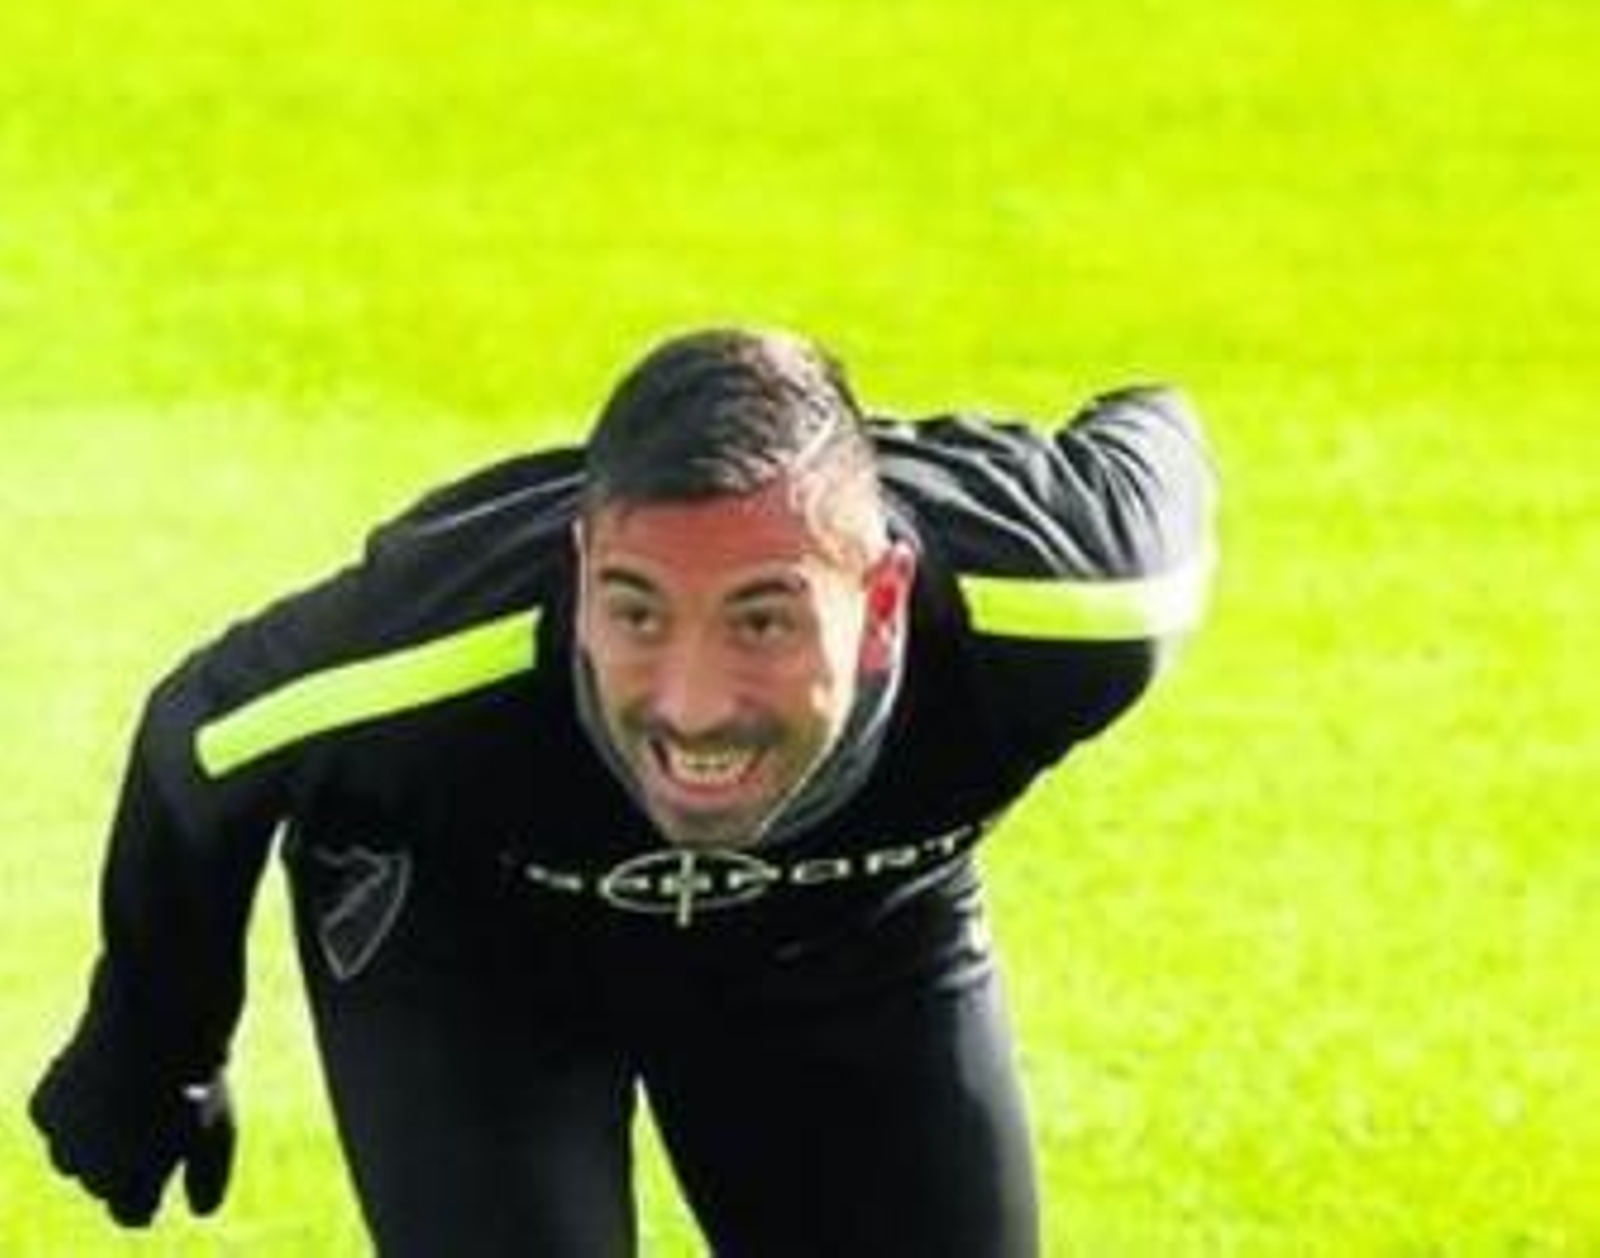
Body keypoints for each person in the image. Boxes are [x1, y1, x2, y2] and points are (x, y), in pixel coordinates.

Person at [30, 325, 1217, 1255]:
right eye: (636, 608)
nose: (692, 701)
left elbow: (1158, 422)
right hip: (471, 941)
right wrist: (157, 1039)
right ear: (582, 565)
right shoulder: (428, 652)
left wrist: (866, 459)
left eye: (764, 614)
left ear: (886, 597)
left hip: (853, 931)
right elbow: (204, 740)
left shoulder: (1073, 601)